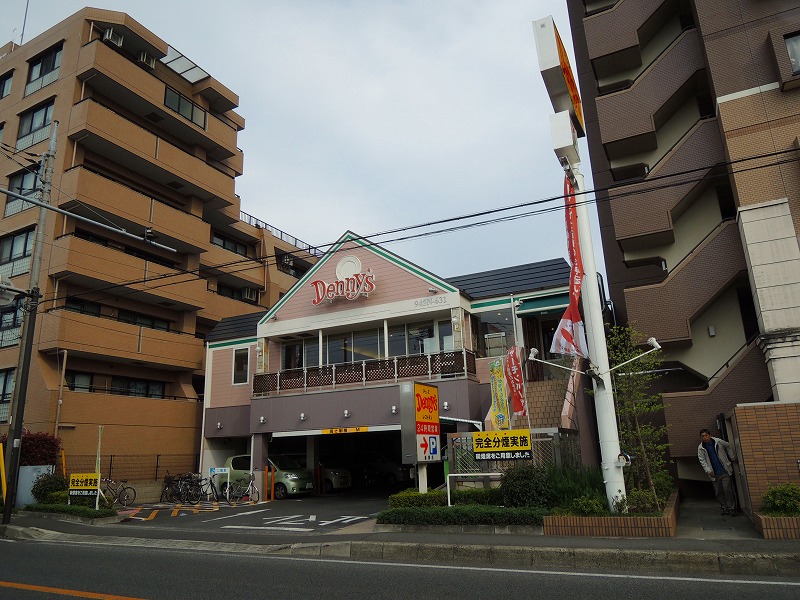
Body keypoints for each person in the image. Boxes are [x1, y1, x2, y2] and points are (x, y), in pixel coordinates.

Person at [697, 428, 737, 515]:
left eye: (706, 435)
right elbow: (702, 460)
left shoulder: (718, 442)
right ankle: (724, 508)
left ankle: (731, 508)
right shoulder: (701, 448)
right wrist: (708, 470)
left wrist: (732, 457)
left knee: (727, 490)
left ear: (710, 435)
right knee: (719, 492)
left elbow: (728, 446)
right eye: (702, 436)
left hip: (725, 470)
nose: (704, 437)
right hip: (714, 473)